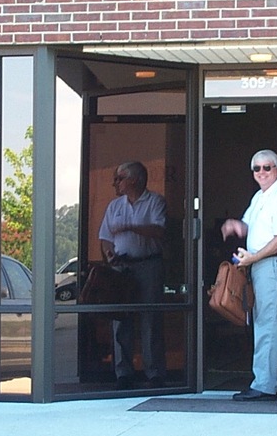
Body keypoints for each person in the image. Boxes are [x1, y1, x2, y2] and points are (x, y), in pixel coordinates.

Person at [221, 149, 277, 401]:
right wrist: (234, 225)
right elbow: (248, 225)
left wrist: (254, 257)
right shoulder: (261, 195)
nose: (261, 172)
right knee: (264, 322)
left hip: (271, 265)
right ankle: (269, 382)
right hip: (259, 265)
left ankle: (265, 386)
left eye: (267, 167)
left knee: (269, 324)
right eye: (257, 168)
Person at [99, 161, 167, 390]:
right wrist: (109, 255)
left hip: (149, 264)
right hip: (121, 267)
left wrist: (131, 227)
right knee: (121, 321)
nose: (115, 183)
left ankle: (154, 373)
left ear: (134, 180)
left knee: (151, 320)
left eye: (119, 178)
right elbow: (105, 237)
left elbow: (159, 230)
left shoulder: (155, 201)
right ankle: (123, 373)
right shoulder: (114, 206)